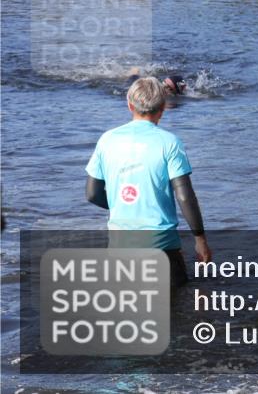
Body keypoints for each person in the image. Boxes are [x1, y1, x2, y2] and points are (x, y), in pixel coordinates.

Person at [86, 77, 211, 287]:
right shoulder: (170, 143)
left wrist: (121, 204)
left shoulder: (107, 140)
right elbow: (184, 195)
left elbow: (92, 193)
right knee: (176, 313)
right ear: (163, 107)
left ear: (129, 104)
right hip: (161, 248)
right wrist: (200, 239)